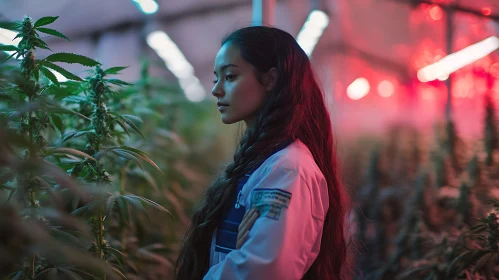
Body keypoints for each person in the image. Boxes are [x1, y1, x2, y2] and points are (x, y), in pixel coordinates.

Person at [174, 26, 350, 280]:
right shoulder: (264, 162)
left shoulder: (289, 168)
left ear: (270, 80)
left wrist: (245, 256)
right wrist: (239, 253)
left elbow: (269, 270)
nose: (216, 90)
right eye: (216, 79)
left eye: (230, 77)